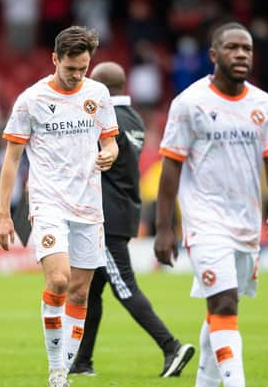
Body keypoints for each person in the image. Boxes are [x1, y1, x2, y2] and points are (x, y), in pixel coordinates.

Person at [154, 22, 268, 387]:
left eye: (246, 48)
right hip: (205, 220)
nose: (241, 54)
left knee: (221, 308)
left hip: (246, 225)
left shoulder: (265, 105)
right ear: (214, 55)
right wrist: (165, 228)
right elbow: (170, 168)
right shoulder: (189, 104)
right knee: (225, 305)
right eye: (232, 48)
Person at [0, 26, 119, 387]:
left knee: (80, 292)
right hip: (48, 202)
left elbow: (111, 143)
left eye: (83, 68)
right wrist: (4, 215)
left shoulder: (98, 94)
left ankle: (63, 373)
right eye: (71, 69)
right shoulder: (30, 100)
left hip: (89, 207)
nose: (77, 76)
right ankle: (55, 370)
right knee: (60, 280)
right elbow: (12, 159)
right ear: (54, 59)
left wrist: (109, 154)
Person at [69, 61, 195, 378]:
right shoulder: (135, 118)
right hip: (123, 209)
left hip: (104, 218)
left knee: (124, 287)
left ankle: (171, 347)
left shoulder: (103, 118)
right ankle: (82, 362)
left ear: (98, 87)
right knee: (91, 291)